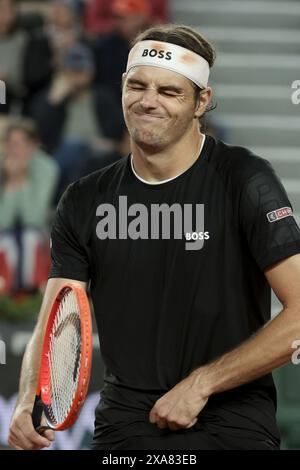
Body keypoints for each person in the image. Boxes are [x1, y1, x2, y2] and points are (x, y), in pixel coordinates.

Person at [8, 24, 300, 451]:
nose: (148, 101)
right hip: (125, 423)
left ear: (202, 102)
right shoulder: (84, 198)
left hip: (229, 422)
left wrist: (203, 383)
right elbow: (57, 318)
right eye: (138, 85)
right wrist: (29, 397)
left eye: (169, 92)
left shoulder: (244, 179)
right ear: (122, 87)